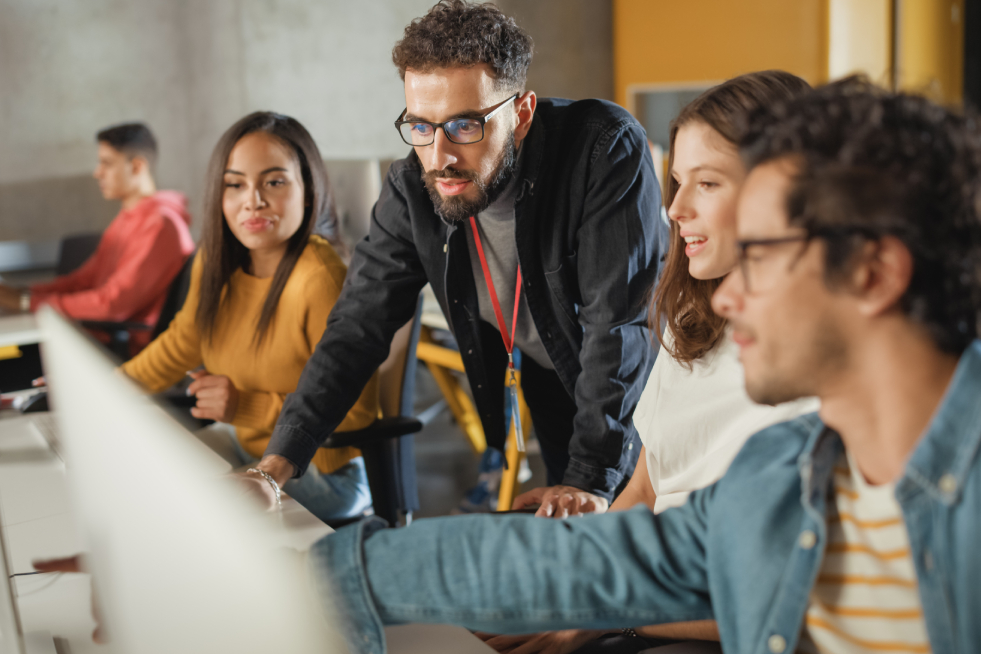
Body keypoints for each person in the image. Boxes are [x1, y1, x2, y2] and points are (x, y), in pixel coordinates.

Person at [307, 78, 981, 654]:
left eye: (763, 254)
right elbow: (598, 564)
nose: (732, 294)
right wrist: (327, 576)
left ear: (873, 273)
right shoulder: (781, 476)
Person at [252, 0, 667, 516]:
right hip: (553, 380)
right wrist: (273, 470)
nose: (439, 156)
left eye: (465, 126)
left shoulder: (601, 147)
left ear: (521, 115)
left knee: (644, 545)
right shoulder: (412, 185)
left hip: (647, 393)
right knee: (584, 554)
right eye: (420, 126)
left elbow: (619, 325)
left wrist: (591, 478)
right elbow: (357, 325)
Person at [487, 71, 820, 654]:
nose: (674, 208)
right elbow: (644, 492)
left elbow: (783, 603)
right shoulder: (694, 327)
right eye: (676, 181)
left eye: (708, 184)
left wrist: (601, 616)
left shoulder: (820, 371)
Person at [122, 112, 379, 524]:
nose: (253, 200)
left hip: (323, 474)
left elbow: (358, 412)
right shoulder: (215, 261)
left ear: (308, 191)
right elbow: (181, 343)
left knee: (189, 509)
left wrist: (246, 407)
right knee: (145, 478)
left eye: (274, 182)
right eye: (235, 184)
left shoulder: (320, 277)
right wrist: (102, 386)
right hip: (246, 447)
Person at [0, 123, 194, 354]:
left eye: (107, 163)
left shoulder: (161, 226)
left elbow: (112, 305)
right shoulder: (127, 218)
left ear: (137, 166)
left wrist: (27, 302)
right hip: (94, 337)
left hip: (120, 352)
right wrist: (23, 293)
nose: (97, 172)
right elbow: (83, 281)